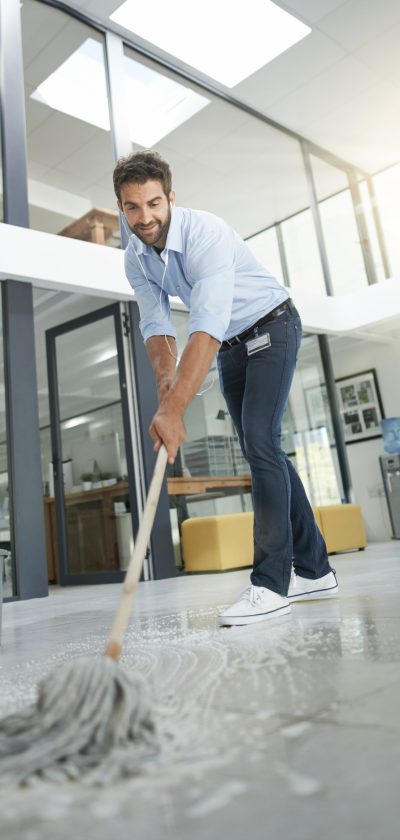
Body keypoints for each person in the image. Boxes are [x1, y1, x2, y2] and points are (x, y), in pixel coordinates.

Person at [113, 150, 338, 626]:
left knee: (259, 442)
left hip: (271, 326)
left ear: (170, 197)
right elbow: (156, 328)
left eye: (154, 203)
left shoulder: (206, 234)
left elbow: (205, 327)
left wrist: (175, 412)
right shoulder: (135, 256)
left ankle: (272, 583)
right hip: (234, 346)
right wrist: (166, 394)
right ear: (122, 207)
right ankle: (315, 570)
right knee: (263, 448)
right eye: (132, 207)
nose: (145, 217)